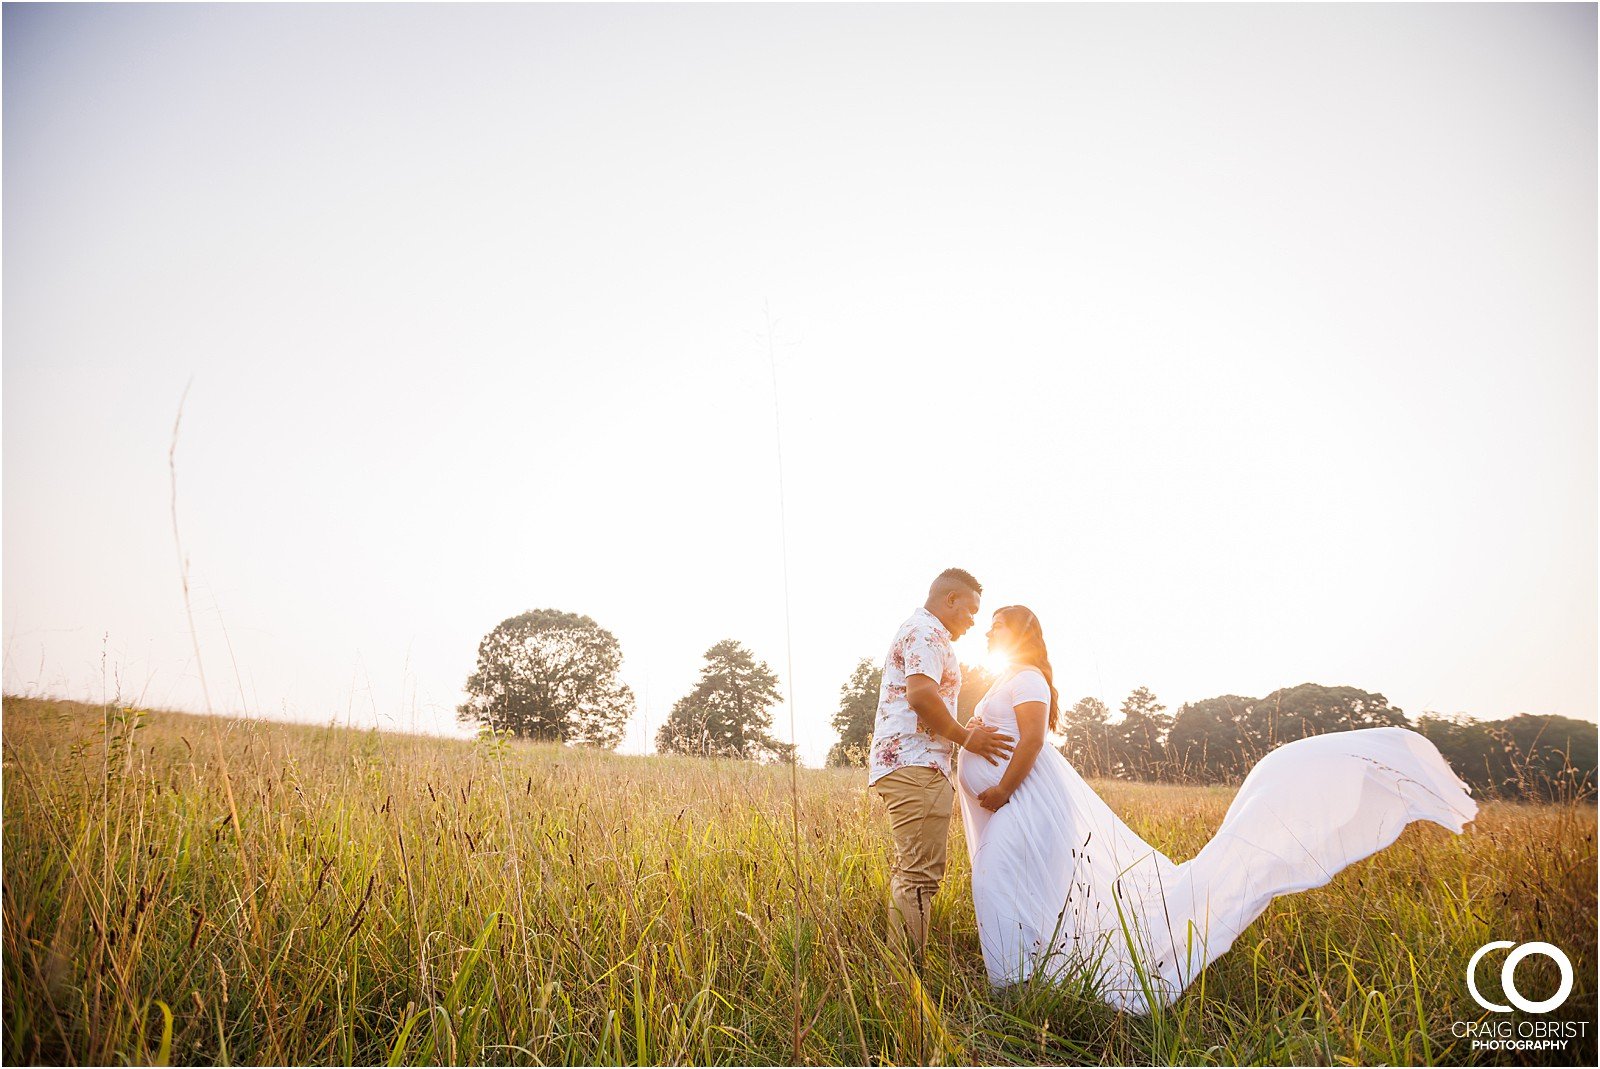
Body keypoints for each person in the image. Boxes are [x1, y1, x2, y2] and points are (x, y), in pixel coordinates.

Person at [957, 605, 1478, 1013]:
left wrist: (1002, 791)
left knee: (995, 882)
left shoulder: (1026, 679)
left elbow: (1030, 744)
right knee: (1014, 888)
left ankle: (1010, 990)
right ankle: (1023, 980)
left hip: (1023, 806)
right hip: (1015, 807)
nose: (988, 634)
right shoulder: (1009, 678)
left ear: (1021, 634)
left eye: (997, 625)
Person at [868, 568, 1015, 959]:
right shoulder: (926, 632)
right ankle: (904, 983)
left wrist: (960, 728)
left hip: (912, 763)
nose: (972, 622)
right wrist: (967, 738)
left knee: (913, 873)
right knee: (919, 878)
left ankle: (899, 973)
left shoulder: (925, 633)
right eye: (970, 611)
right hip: (916, 767)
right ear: (950, 599)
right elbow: (920, 696)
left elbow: (923, 701)